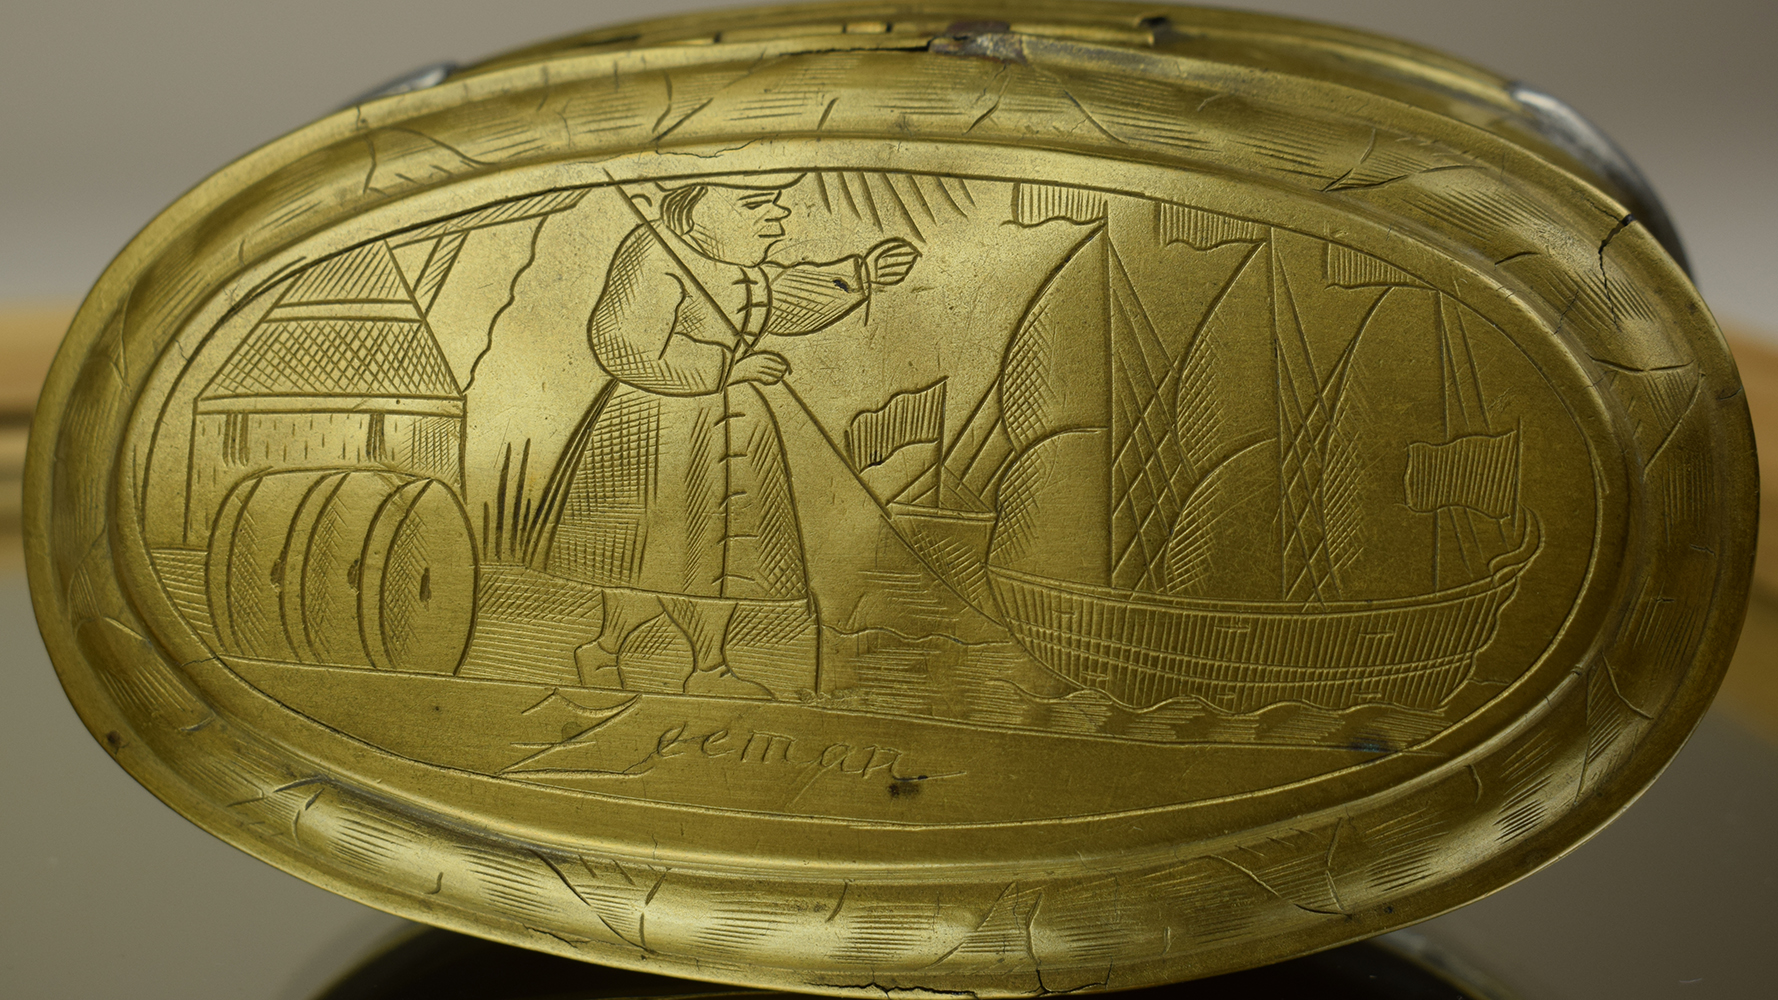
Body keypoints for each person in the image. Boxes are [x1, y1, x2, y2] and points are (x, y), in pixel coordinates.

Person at [543, 173, 918, 697]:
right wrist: (726, 370)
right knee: (655, 556)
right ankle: (608, 651)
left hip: (733, 426)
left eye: (776, 203)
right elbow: (621, 344)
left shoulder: (740, 267)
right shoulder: (654, 253)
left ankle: (707, 667)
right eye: (755, 203)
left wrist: (859, 276)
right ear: (692, 211)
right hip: (658, 429)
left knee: (722, 558)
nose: (778, 216)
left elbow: (782, 298)